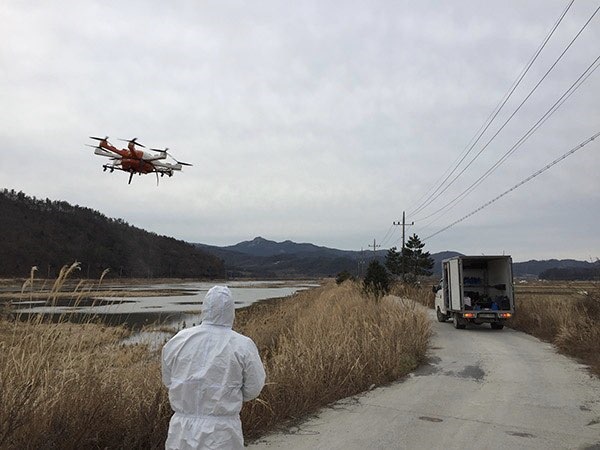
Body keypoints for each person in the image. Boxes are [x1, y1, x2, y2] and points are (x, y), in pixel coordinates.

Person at [162, 285, 266, 449]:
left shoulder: (179, 340)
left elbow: (169, 380)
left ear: (205, 308)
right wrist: (230, 395)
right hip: (222, 433)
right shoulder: (242, 345)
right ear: (232, 311)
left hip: (181, 430)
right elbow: (254, 387)